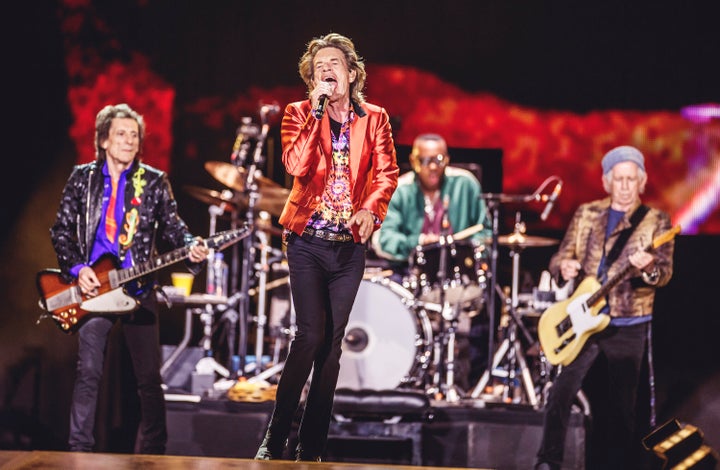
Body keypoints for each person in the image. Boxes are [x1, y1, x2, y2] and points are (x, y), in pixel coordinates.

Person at [254, 33, 398, 461]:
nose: (327, 70)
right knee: (310, 335)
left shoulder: (375, 118)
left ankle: (311, 445)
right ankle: (275, 436)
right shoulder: (298, 112)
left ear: (352, 73)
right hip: (305, 242)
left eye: (334, 64)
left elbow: (387, 173)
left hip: (347, 248)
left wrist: (372, 209)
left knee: (331, 347)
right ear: (312, 79)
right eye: (319, 67)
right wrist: (317, 112)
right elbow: (296, 165)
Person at [50, 103, 210, 453]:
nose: (128, 140)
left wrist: (191, 247)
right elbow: (61, 231)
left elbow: (174, 228)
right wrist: (80, 269)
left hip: (139, 286)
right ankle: (79, 450)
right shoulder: (83, 179)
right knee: (89, 372)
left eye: (134, 135)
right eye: (120, 134)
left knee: (149, 379)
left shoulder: (152, 181)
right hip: (95, 289)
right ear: (104, 140)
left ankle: (155, 452)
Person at [534, 146, 675, 470]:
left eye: (631, 179)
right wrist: (564, 266)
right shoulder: (586, 214)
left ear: (642, 182)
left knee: (622, 407)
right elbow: (559, 256)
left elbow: (663, 273)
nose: (625, 186)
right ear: (606, 181)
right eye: (619, 179)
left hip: (628, 322)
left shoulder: (655, 221)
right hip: (582, 317)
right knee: (560, 392)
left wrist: (647, 267)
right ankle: (547, 461)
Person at [374, 133, 492, 392]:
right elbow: (383, 239)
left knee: (488, 303)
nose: (433, 166)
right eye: (426, 160)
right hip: (411, 270)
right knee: (388, 304)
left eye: (438, 159)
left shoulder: (465, 184)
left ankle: (475, 382)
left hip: (457, 270)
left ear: (447, 160)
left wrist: (462, 243)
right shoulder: (400, 189)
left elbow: (485, 230)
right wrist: (418, 241)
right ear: (414, 161)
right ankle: (399, 376)